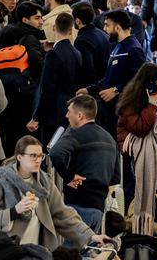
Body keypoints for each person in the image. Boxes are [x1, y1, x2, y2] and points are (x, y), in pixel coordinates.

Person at [0, 136, 108, 251]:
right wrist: (15, 210)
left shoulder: (44, 182)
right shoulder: (0, 180)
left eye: (40, 156)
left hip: (38, 254)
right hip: (8, 253)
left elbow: (63, 215)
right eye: (33, 155)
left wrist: (91, 236)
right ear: (19, 157)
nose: (38, 160)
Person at [116, 63, 157, 214]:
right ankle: (146, 227)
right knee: (146, 202)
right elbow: (140, 129)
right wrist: (152, 103)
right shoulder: (131, 103)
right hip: (140, 157)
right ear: (150, 82)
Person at [49, 95, 120, 233]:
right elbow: (115, 177)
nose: (66, 115)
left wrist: (69, 177)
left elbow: (55, 153)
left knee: (72, 246)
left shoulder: (75, 134)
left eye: (69, 111)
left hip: (77, 205)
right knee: (91, 245)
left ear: (80, 115)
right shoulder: (110, 139)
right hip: (98, 210)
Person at [27, 13, 82, 141]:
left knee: (51, 147)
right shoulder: (77, 53)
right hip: (72, 110)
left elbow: (47, 89)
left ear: (54, 28)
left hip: (53, 113)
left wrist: (36, 117)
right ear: (71, 30)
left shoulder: (53, 54)